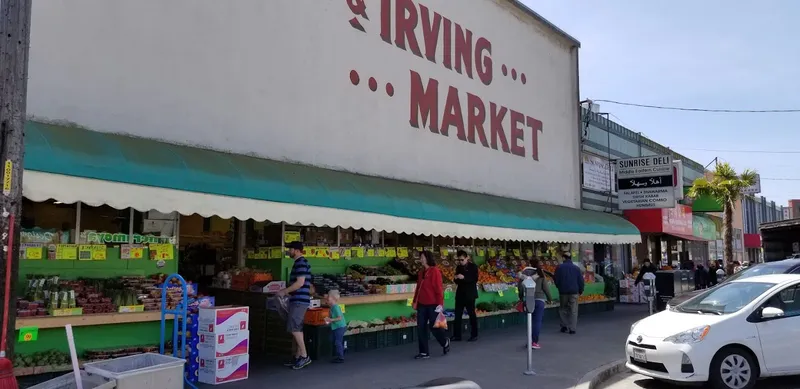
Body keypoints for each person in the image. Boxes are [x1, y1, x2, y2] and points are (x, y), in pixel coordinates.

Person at [277, 241, 313, 370]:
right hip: (298, 300)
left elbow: (300, 283)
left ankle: (304, 356)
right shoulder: (300, 263)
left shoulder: (301, 263)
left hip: (299, 300)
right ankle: (298, 357)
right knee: (297, 328)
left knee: (294, 328)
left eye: (290, 249)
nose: (288, 251)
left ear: (297, 250)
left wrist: (284, 292)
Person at [412, 250, 450, 359]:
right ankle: (424, 352)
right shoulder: (421, 272)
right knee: (421, 328)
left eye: (422, 257)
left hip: (433, 304)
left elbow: (438, 288)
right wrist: (415, 301)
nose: (421, 259)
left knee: (435, 327)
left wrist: (440, 304)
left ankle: (444, 342)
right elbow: (418, 288)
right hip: (421, 304)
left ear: (428, 258)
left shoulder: (435, 271)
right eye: (420, 257)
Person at [517, 260, 553, 349]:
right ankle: (534, 342)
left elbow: (520, 288)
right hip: (539, 300)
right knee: (537, 322)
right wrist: (550, 299)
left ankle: (529, 341)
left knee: (530, 321)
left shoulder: (523, 274)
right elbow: (546, 289)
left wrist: (521, 298)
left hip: (528, 300)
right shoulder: (540, 274)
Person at [452, 249, 479, 342]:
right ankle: (457, 335)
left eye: (462, 260)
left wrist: (464, 277)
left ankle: (474, 334)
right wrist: (456, 278)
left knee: (472, 315)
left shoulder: (473, 267)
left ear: (467, 258)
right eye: (459, 260)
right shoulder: (458, 267)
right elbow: (456, 281)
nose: (460, 262)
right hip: (460, 294)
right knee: (457, 315)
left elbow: (475, 279)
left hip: (470, 295)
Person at [553, 254, 584, 334]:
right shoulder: (576, 268)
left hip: (563, 291)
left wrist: (558, 286)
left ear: (563, 258)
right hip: (574, 292)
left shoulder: (559, 267)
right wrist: (580, 290)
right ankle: (572, 328)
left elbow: (556, 279)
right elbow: (580, 281)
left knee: (563, 308)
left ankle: (564, 326)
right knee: (573, 310)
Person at [324, 290, 347, 363]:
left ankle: (341, 357)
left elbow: (339, 318)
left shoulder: (336, 307)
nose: (327, 298)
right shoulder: (332, 307)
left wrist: (330, 320)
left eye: (328, 297)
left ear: (333, 298)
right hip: (336, 327)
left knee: (337, 341)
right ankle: (341, 351)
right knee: (333, 340)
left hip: (340, 327)